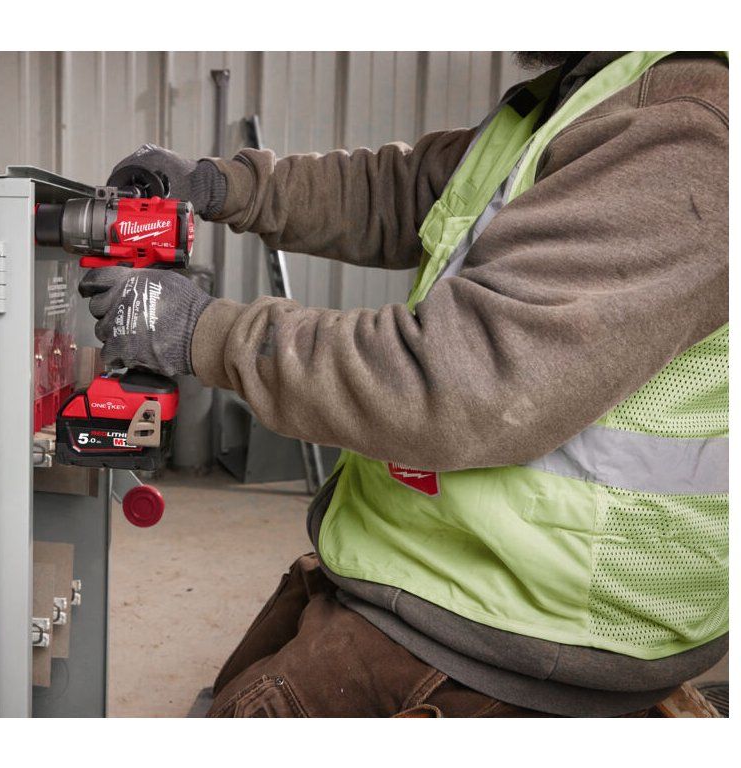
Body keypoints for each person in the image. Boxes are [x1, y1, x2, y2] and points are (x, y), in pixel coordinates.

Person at [78, 51, 728, 717]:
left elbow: (458, 383)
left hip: (530, 627)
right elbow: (405, 189)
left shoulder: (683, 131)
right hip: (444, 574)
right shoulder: (576, 95)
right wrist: (222, 185)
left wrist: (199, 330)